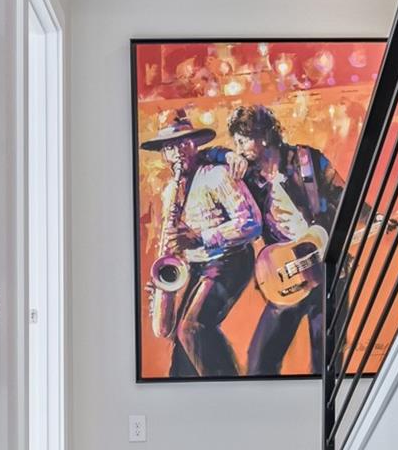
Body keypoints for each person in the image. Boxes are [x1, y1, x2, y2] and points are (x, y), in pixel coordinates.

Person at [219, 105, 347, 376]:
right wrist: (226, 154)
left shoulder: (306, 160)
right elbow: (205, 158)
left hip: (326, 272)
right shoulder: (248, 177)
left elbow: (343, 197)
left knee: (325, 361)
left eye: (243, 139)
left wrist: (374, 217)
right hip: (286, 276)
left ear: (263, 135)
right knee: (259, 362)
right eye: (236, 141)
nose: (239, 146)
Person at [140, 109, 261, 378]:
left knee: (192, 327)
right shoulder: (169, 190)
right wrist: (164, 283)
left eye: (183, 142)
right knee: (181, 351)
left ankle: (230, 389)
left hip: (230, 258)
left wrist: (200, 236)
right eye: (170, 147)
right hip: (196, 264)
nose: (178, 151)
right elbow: (172, 244)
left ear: (195, 144)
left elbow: (251, 224)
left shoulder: (217, 175)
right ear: (164, 154)